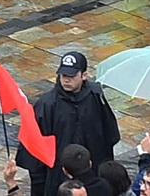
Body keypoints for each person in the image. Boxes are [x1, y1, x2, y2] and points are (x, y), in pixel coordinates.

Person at [23, 51, 122, 196]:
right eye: (64, 76)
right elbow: (35, 146)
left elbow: (108, 133)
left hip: (91, 174)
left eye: (72, 76)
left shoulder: (95, 95)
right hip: (59, 176)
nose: (66, 80)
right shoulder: (47, 104)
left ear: (84, 75)